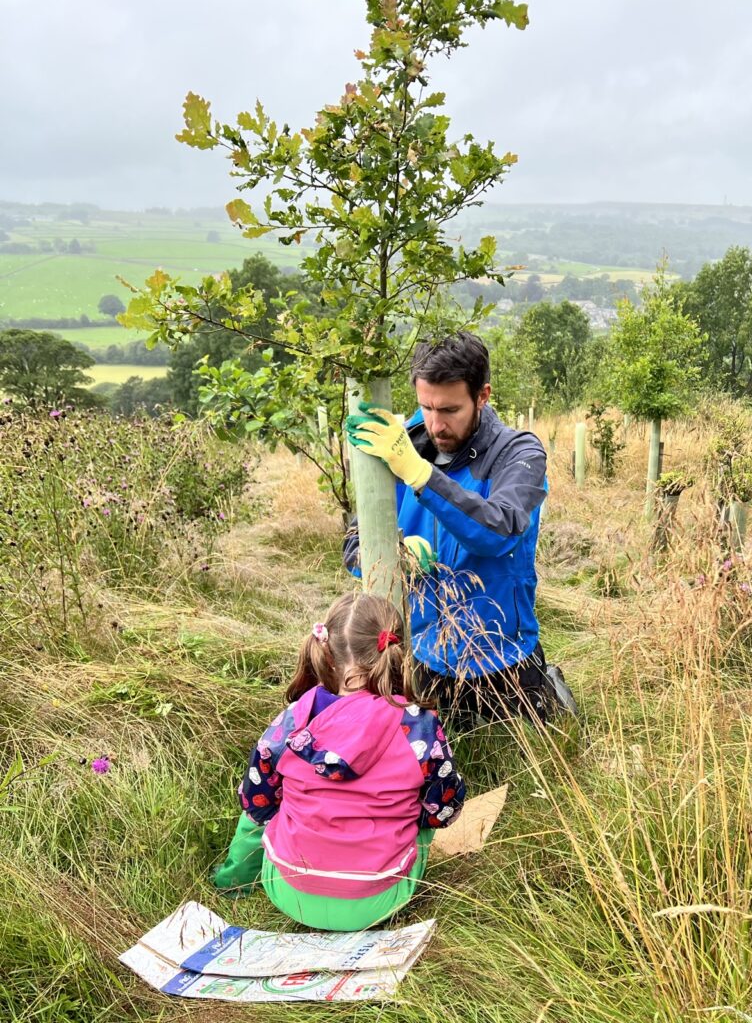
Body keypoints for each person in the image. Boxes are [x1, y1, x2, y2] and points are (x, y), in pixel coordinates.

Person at [343, 331, 575, 725]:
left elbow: (499, 530)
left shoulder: (519, 454)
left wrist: (421, 475)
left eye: (450, 410)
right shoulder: (403, 447)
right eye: (426, 407)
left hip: (502, 655)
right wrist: (389, 555)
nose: (436, 424)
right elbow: (353, 544)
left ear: (482, 396)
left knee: (531, 743)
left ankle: (549, 691)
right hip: (423, 653)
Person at [211, 591, 465, 931]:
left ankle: (233, 881)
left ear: (326, 652)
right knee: (427, 812)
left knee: (259, 805)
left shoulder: (292, 720)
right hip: (378, 901)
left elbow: (257, 803)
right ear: (396, 650)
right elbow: (445, 806)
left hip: (289, 892)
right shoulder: (418, 725)